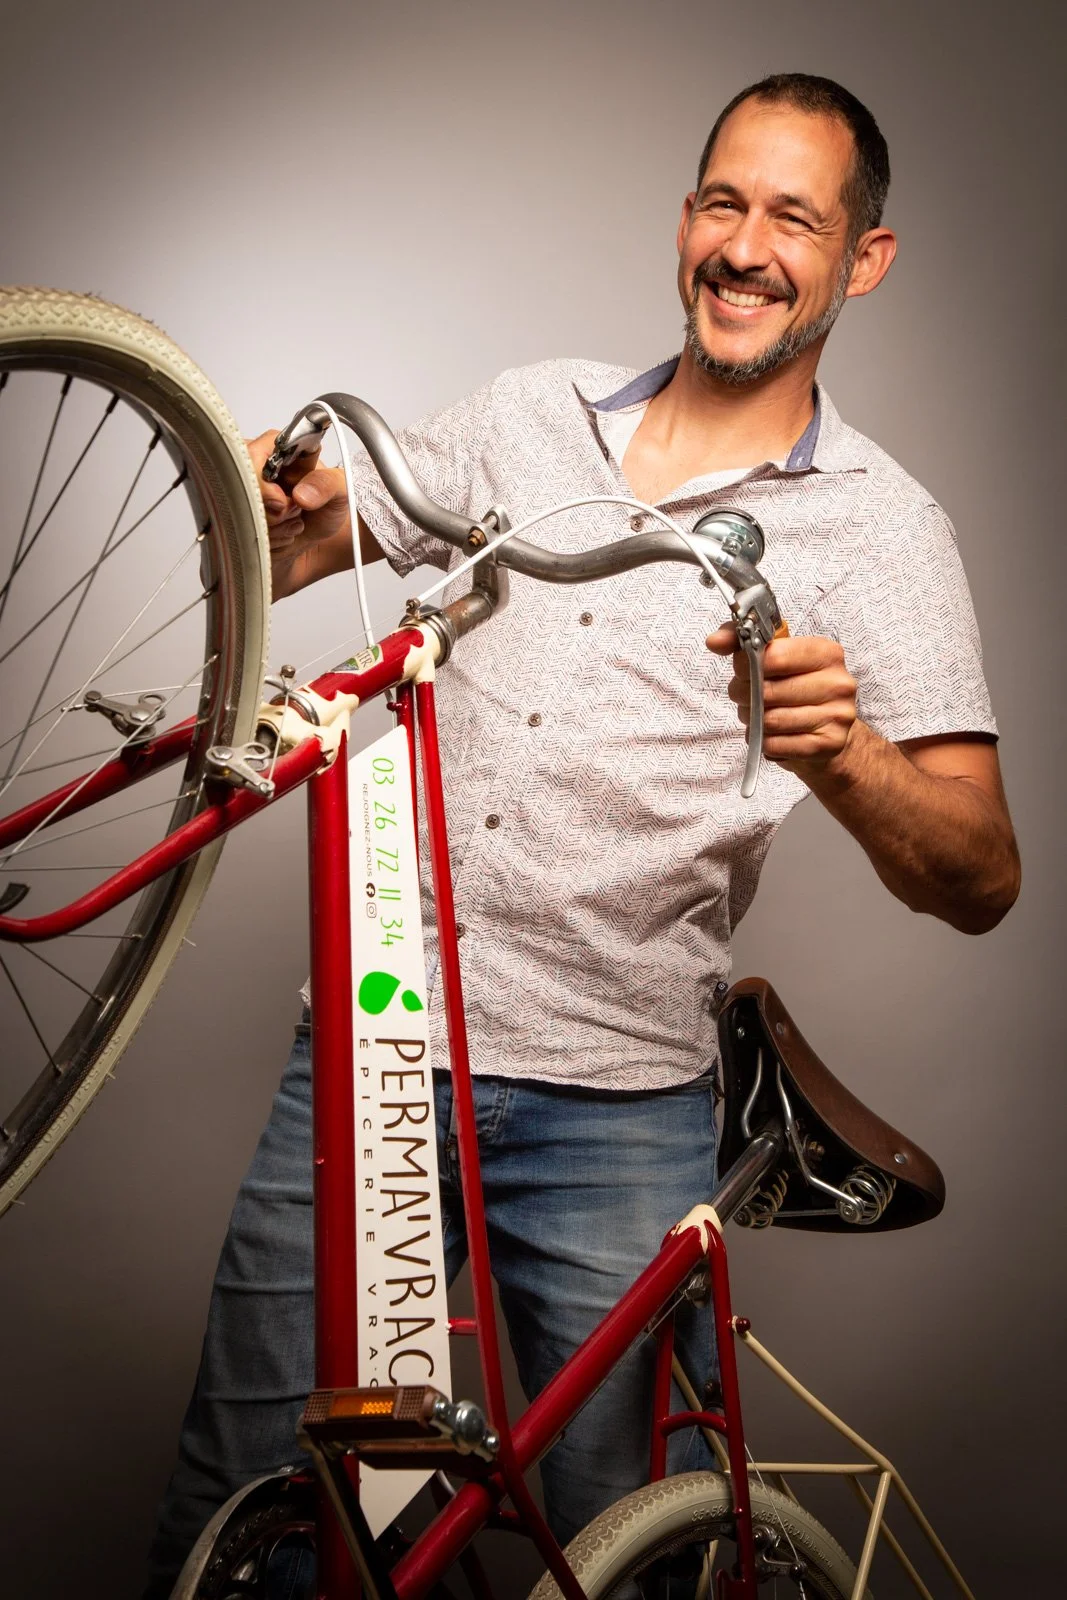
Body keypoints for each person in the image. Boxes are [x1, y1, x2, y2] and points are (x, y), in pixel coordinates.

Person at [143, 72, 1020, 1595]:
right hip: (371, 1056)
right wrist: (272, 501)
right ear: (684, 219)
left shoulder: (885, 529)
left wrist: (847, 754)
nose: (747, 247)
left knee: (611, 1549)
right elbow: (299, 556)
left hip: (617, 1105)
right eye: (724, 202)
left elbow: (979, 876)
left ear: (861, 260)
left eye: (794, 219)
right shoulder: (523, 412)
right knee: (255, 1514)